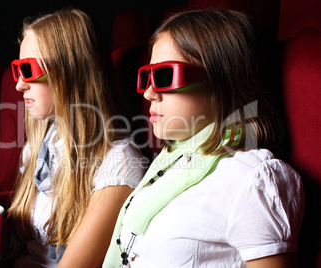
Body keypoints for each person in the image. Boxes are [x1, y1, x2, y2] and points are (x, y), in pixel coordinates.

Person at [103, 9, 304, 268]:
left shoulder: (254, 180)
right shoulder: (167, 163)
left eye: (164, 77)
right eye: (146, 77)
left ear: (222, 82)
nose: (149, 94)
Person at [0, 8, 145, 267]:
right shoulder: (44, 142)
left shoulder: (118, 163)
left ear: (71, 72)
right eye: (16, 70)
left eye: (27, 70)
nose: (19, 85)